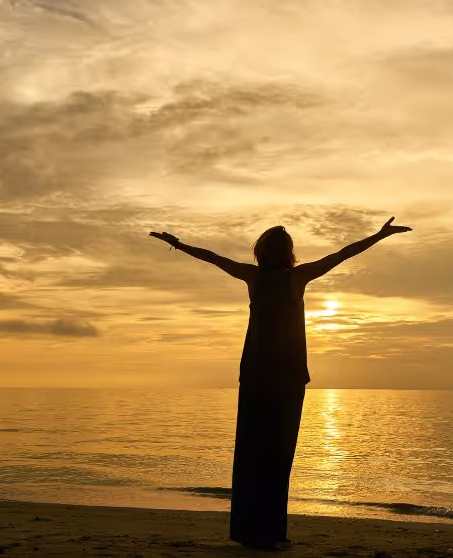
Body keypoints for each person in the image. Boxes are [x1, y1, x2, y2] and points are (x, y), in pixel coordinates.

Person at [148, 217, 412, 550]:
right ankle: (271, 533)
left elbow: (213, 257)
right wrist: (378, 235)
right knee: (276, 457)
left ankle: (249, 532)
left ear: (260, 252)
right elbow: (343, 254)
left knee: (250, 455)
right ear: (288, 253)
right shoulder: (296, 277)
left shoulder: (253, 276)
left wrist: (179, 243)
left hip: (257, 376)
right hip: (285, 379)